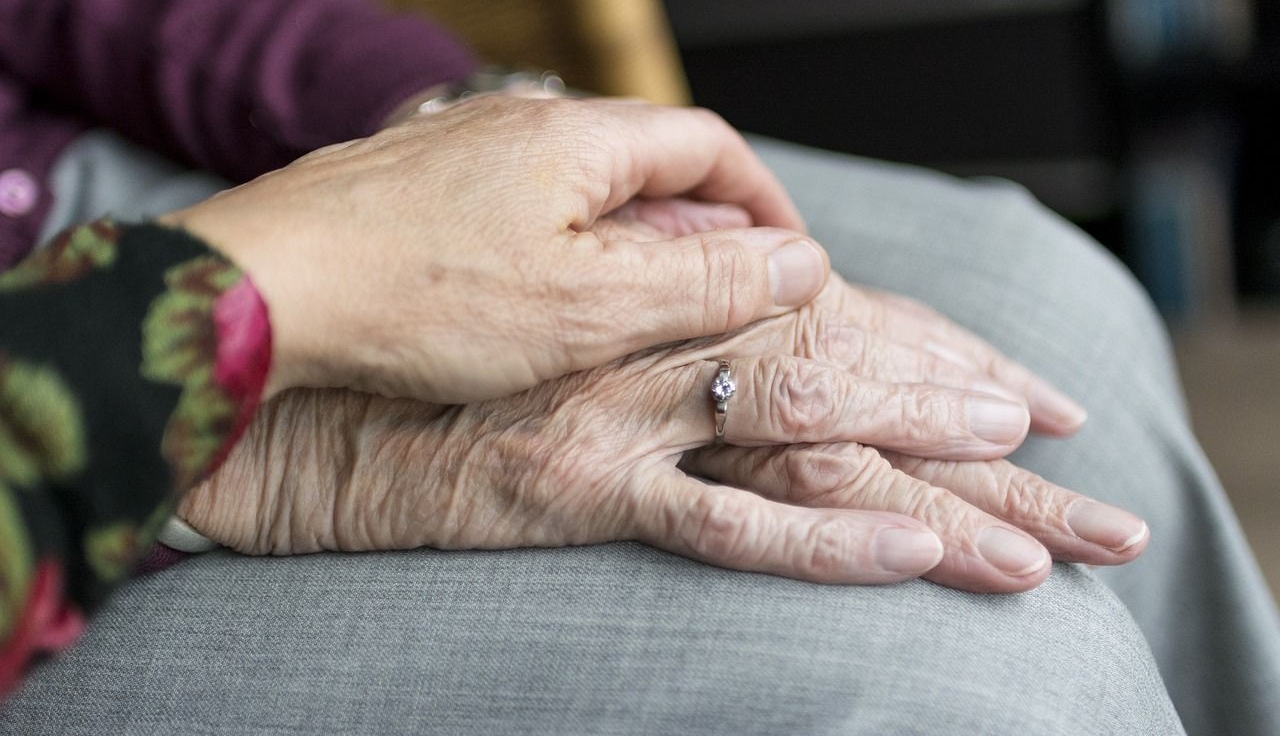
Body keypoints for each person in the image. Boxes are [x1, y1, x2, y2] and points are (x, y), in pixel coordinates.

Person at [1, 1, 1277, 735]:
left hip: (99, 176)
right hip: (49, 483)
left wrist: (453, 138)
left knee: (1044, 306)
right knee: (982, 675)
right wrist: (261, 414)